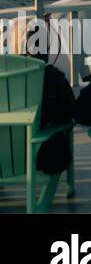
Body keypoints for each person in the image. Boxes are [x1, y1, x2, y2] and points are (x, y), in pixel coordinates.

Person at [8, 16, 75, 176]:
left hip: (6, 156)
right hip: (44, 156)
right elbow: (70, 111)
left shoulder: (6, 80)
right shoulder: (54, 78)